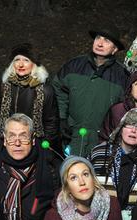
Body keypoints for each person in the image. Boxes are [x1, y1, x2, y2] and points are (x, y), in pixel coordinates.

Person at [53, 27, 129, 156]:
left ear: (115, 49)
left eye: (106, 41)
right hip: (72, 136)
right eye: (98, 38)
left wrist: (114, 132)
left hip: (102, 140)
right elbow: (58, 90)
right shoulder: (73, 65)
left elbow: (126, 108)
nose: (100, 43)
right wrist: (62, 119)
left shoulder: (122, 75)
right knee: (70, 172)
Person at [0, 43, 60, 150]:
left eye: (26, 60)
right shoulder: (5, 87)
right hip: (9, 143)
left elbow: (51, 124)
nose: (20, 65)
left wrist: (44, 148)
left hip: (36, 145)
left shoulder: (45, 90)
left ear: (34, 64)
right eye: (17, 60)